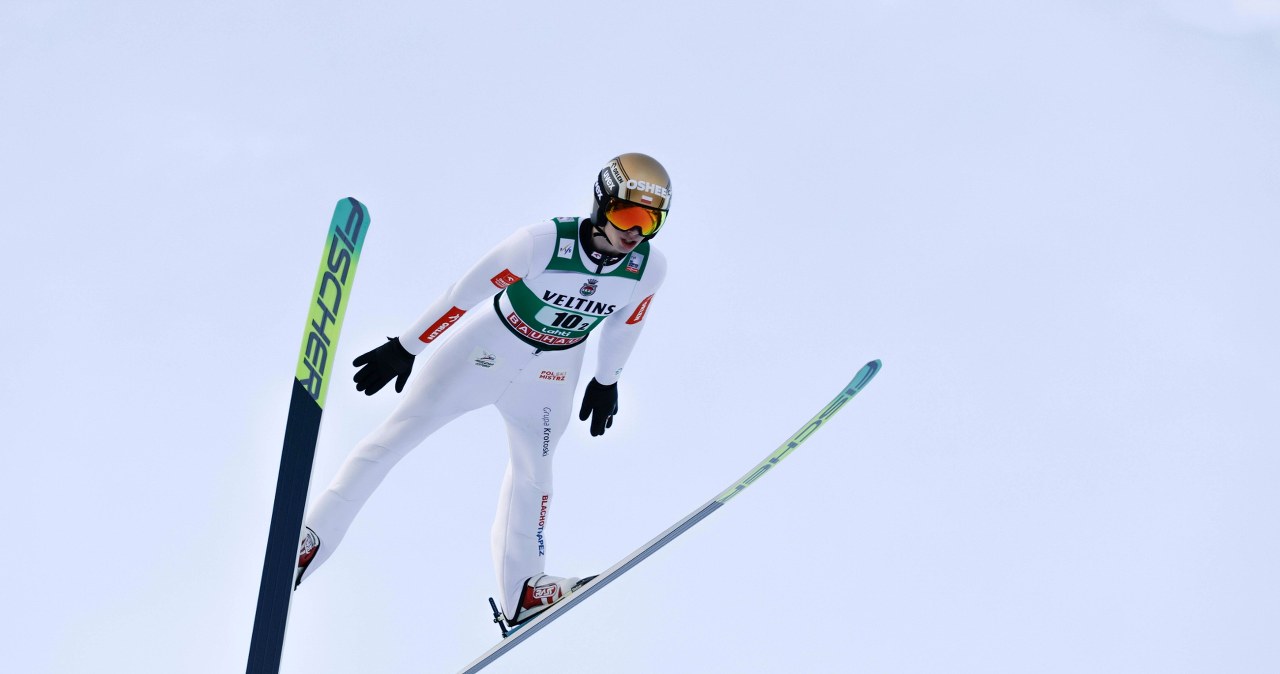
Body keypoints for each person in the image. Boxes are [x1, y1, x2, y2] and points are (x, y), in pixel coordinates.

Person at [294, 153, 671, 626]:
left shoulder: (646, 269)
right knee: (394, 438)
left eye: (650, 222)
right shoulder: (539, 244)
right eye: (626, 214)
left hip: (554, 371)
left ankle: (525, 591)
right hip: (487, 349)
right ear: (601, 203)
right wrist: (407, 346)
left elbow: (624, 327)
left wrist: (606, 380)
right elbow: (463, 294)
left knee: (535, 474)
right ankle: (309, 542)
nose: (634, 232)